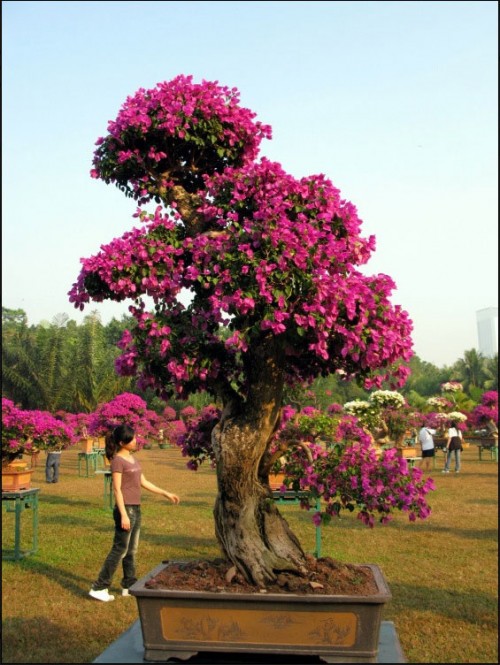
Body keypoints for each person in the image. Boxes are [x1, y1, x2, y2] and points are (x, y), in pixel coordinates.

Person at [89, 424, 180, 602]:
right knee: (120, 549)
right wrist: (123, 514)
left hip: (136, 508)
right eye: (132, 438)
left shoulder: (132, 459)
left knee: (132, 550)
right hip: (126, 509)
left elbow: (143, 482)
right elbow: (117, 489)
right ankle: (99, 587)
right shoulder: (117, 461)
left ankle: (128, 584)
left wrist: (165, 493)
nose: (136, 440)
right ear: (123, 442)